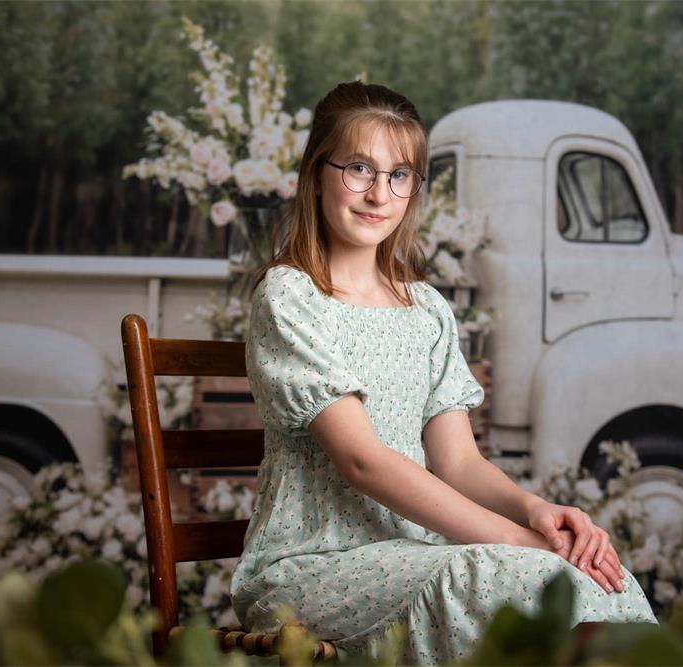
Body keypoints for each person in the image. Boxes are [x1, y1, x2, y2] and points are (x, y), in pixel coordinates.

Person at [230, 81, 656, 664]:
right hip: (312, 566)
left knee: (602, 580)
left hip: (415, 552)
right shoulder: (291, 297)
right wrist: (517, 542)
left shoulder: (425, 309)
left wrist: (535, 513)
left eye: (399, 175)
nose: (379, 193)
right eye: (359, 168)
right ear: (316, 173)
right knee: (510, 575)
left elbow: (459, 463)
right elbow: (363, 461)